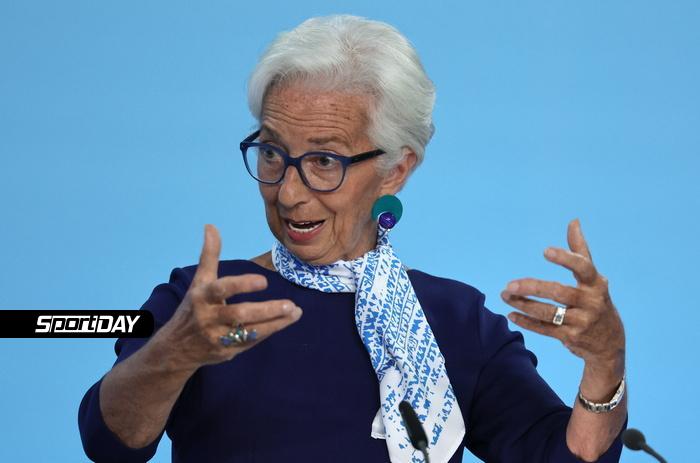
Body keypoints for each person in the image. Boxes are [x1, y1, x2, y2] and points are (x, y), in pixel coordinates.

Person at [78, 15, 627, 463]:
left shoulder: (456, 323)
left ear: (396, 170)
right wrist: (171, 355)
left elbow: (564, 456)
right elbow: (108, 442)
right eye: (272, 153)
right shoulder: (203, 303)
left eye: (324, 161)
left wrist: (606, 363)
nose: (288, 192)